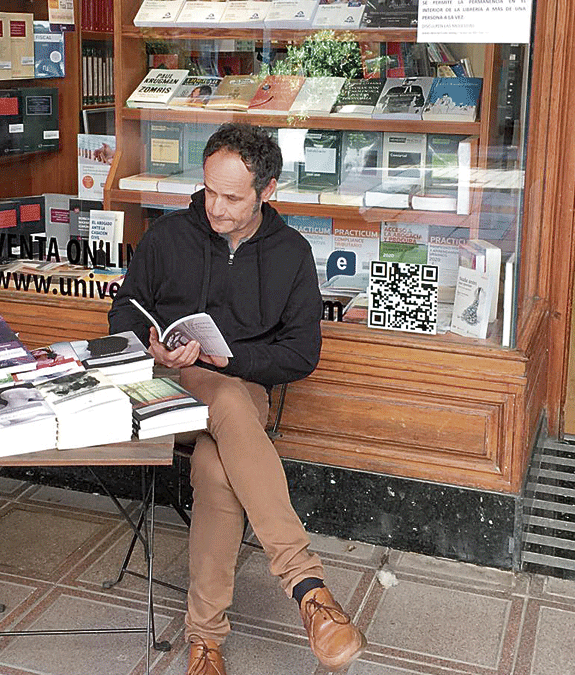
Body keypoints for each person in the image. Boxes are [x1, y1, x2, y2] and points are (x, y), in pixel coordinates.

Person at [108, 123, 367, 674]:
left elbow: (301, 355)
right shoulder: (169, 236)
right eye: (208, 192)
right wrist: (152, 342)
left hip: (239, 389)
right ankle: (308, 588)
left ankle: (205, 641)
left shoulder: (292, 253)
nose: (216, 209)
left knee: (216, 464)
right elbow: (124, 309)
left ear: (267, 191)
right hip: (163, 388)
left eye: (232, 197)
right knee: (226, 402)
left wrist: (236, 362)